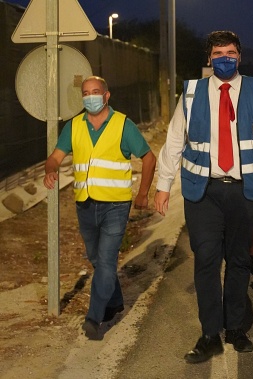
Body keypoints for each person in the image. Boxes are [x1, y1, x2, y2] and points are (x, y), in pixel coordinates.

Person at [155, 30, 253, 364]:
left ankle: (235, 328)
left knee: (240, 260)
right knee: (205, 259)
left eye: (230, 52)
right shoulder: (191, 92)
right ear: (209, 58)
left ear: (240, 56)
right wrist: (163, 184)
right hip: (204, 190)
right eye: (218, 53)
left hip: (247, 190)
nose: (224, 58)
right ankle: (208, 334)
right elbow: (175, 139)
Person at [43, 76, 157, 340]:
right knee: (96, 259)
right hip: (85, 204)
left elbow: (149, 158)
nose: (90, 97)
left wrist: (142, 194)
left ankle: (94, 318)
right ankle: (115, 301)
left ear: (106, 96)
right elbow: (55, 157)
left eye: (95, 92)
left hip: (116, 206)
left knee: (106, 260)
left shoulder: (122, 125)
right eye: (86, 93)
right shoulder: (74, 126)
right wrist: (50, 171)